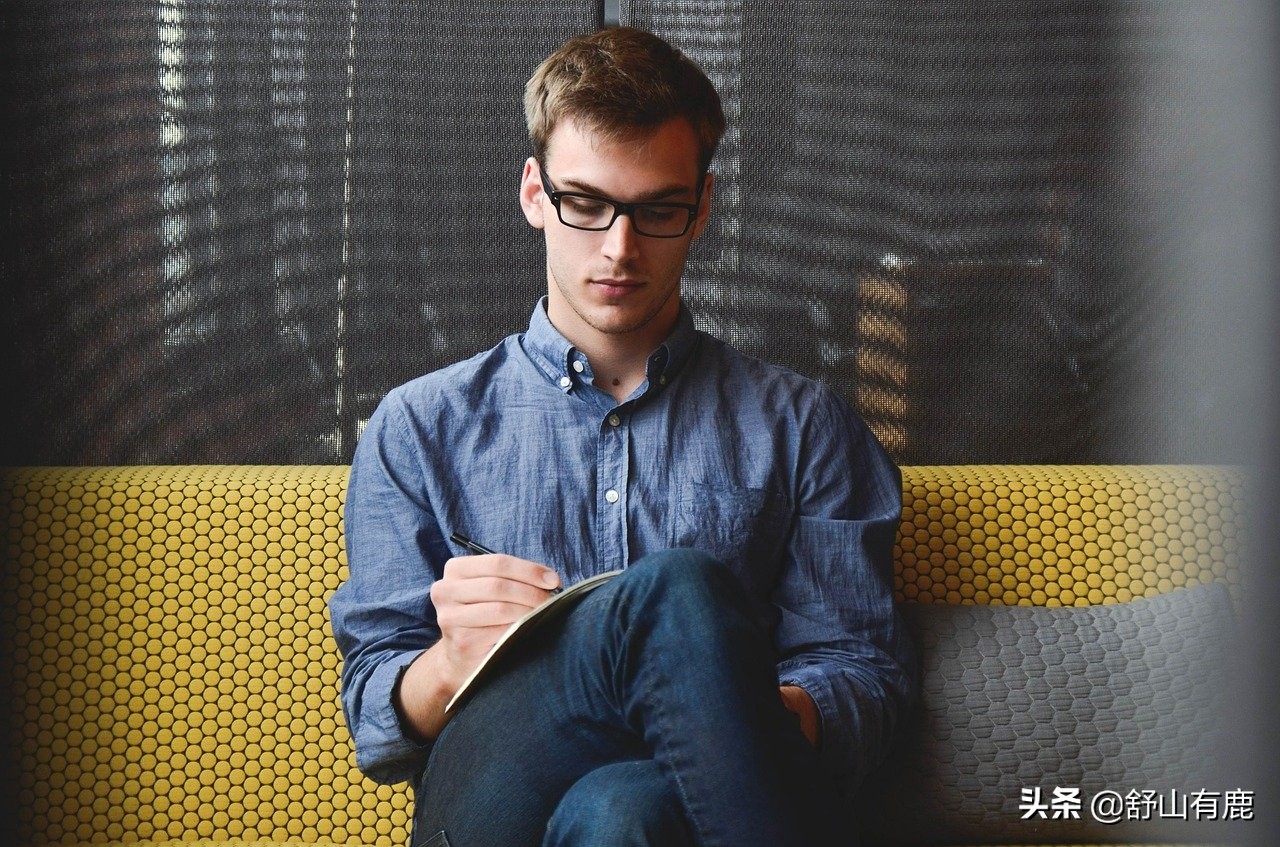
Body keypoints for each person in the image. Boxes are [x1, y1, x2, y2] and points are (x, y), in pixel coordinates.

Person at [329, 26, 915, 847]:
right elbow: (375, 716)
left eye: (657, 210)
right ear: (535, 193)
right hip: (488, 804)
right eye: (586, 203)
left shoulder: (805, 425)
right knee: (675, 593)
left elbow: (865, 685)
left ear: (703, 207)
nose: (619, 246)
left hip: (677, 807)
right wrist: (448, 663)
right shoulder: (420, 425)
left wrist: (712, 703)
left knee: (622, 811)